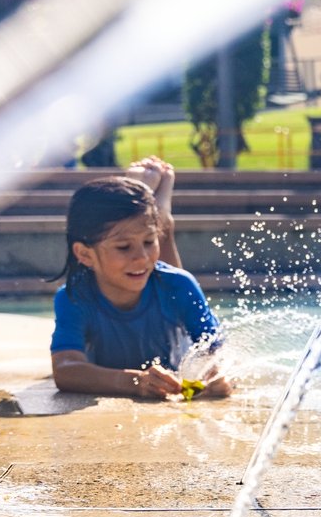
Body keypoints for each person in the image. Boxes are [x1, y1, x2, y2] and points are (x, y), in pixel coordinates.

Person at [49, 160, 231, 399]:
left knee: (167, 279)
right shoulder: (75, 296)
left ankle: (160, 217)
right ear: (84, 254)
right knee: (159, 276)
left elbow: (217, 352)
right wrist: (135, 381)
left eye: (149, 242)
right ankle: (154, 211)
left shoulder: (181, 284)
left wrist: (217, 376)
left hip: (170, 290)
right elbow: (65, 371)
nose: (142, 257)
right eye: (124, 247)